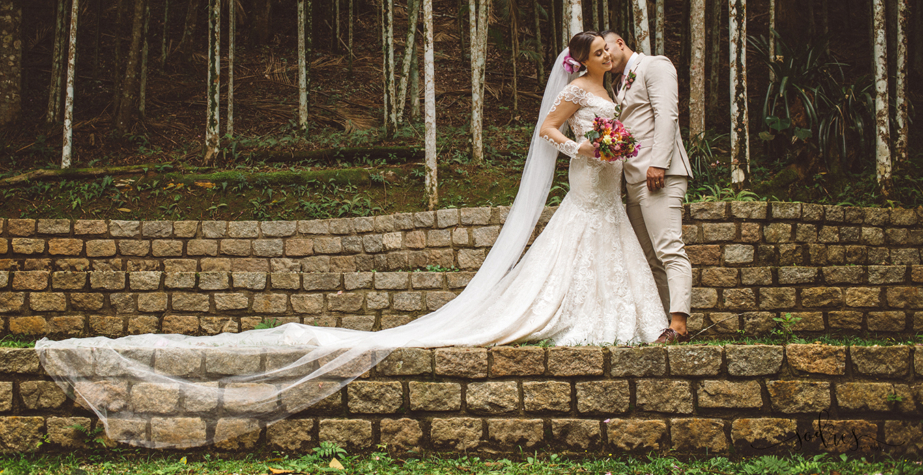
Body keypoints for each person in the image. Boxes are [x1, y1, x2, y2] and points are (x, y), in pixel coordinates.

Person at [36, 32, 666, 449]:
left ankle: (620, 313)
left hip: (606, 185)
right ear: (584, 59)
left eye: (613, 46)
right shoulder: (576, 90)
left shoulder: (614, 90)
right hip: (585, 177)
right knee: (576, 238)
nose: (613, 50)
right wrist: (582, 143)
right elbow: (547, 135)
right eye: (603, 46)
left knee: (606, 232)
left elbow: (628, 122)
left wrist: (616, 145)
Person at [601, 31, 694, 344]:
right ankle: (663, 323)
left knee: (669, 248)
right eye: (598, 53)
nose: (605, 57)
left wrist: (660, 163)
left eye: (607, 49)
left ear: (621, 43)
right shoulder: (617, 84)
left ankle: (679, 324)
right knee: (649, 258)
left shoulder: (656, 66)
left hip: (659, 175)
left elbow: (667, 115)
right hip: (633, 180)